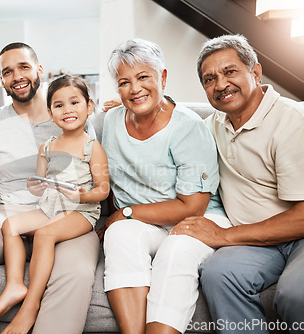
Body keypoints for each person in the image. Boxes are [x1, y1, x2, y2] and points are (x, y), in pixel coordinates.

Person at [0, 43, 101, 334]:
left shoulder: (70, 113)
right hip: (7, 213)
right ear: (1, 80)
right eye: (7, 72)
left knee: (74, 272)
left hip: (68, 214)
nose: (16, 76)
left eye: (23, 67)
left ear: (39, 70)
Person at [171, 34, 304, 333]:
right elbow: (170, 128)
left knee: (296, 292)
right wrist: (126, 112)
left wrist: (225, 236)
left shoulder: (295, 122)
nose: (220, 84)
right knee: (217, 273)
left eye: (230, 72)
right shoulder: (210, 126)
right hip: (257, 243)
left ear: (255, 72)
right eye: (209, 79)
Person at [97, 38, 232, 334]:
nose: (135, 89)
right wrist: (116, 217)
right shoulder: (111, 120)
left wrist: (127, 212)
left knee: (175, 251)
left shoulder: (188, 127)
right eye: (124, 82)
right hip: (146, 223)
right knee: (119, 234)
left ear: (163, 77)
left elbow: (193, 206)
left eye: (144, 77)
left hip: (196, 216)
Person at [0, 74, 109, 334]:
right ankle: (15, 284)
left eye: (74, 102)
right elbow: (37, 182)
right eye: (59, 105)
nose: (68, 110)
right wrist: (36, 186)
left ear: (89, 107)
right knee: (9, 225)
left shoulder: (92, 147)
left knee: (44, 234)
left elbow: (103, 190)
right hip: (50, 207)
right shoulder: (47, 146)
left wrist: (81, 195)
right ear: (51, 112)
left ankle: (30, 307)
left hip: (80, 211)